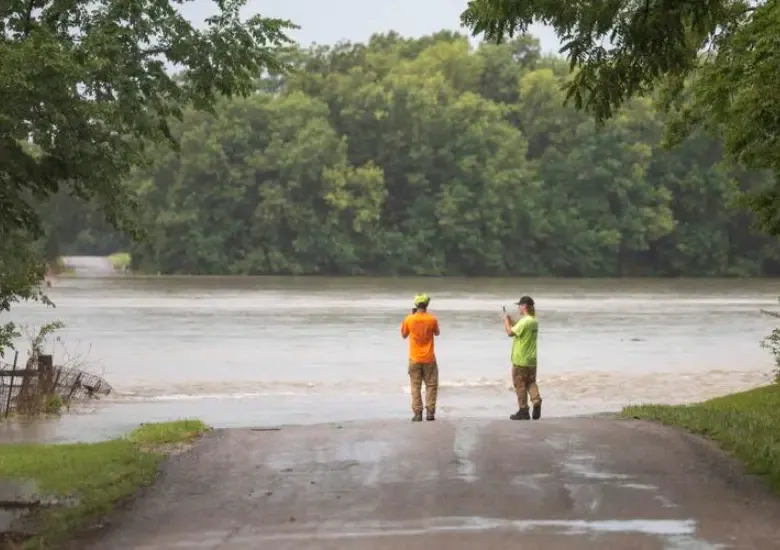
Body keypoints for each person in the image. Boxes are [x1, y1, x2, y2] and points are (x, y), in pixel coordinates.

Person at [401, 293, 440, 422]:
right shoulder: (432, 319)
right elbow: (437, 333)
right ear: (427, 304)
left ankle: (418, 414)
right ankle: (430, 413)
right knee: (431, 385)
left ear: (416, 305)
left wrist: (410, 316)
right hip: (429, 358)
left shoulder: (409, 319)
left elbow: (404, 335)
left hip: (414, 358)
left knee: (415, 386)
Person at [503, 296, 542, 421]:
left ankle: (523, 410)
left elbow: (510, 333)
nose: (518, 308)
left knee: (520, 385)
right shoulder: (533, 321)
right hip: (532, 360)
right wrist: (510, 320)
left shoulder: (525, 321)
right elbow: (519, 328)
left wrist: (505, 321)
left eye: (519, 305)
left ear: (524, 306)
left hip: (520, 360)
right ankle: (536, 400)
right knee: (531, 382)